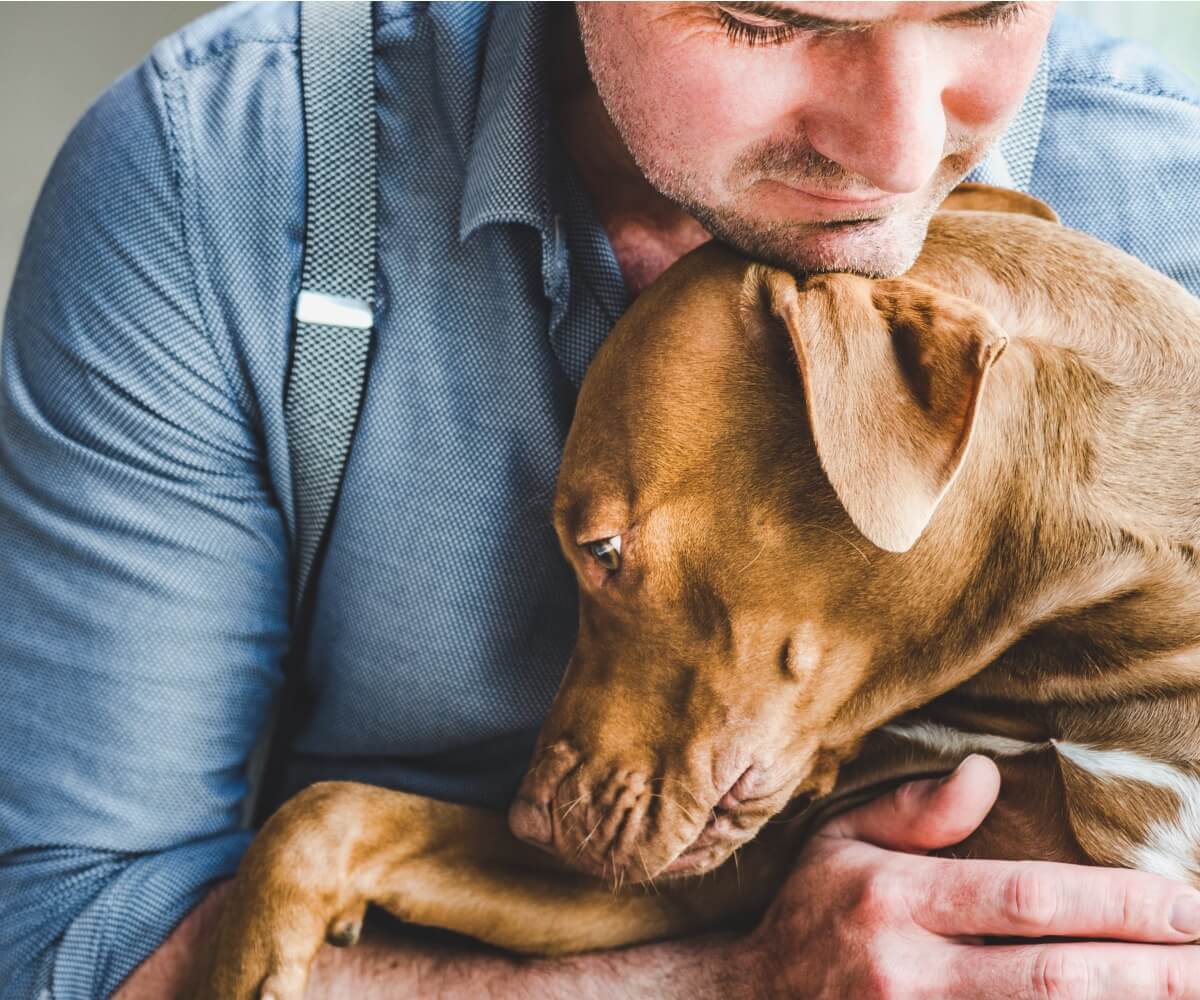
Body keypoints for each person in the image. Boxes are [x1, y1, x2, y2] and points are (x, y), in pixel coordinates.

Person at [2, 2, 1200, 997]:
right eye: (765, 17)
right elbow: (57, 936)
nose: (896, 154)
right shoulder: (219, 181)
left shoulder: (1166, 193)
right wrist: (728, 982)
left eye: (984, 6)